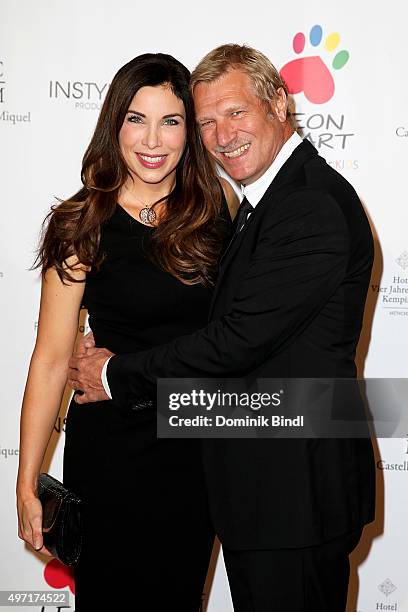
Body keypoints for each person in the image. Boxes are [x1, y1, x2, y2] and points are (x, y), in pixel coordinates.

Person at [69, 45, 376, 611]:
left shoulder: (308, 205)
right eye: (206, 120)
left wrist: (115, 373)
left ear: (279, 103)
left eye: (235, 112)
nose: (222, 133)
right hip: (257, 487)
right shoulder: (259, 203)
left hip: (293, 493)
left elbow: (236, 341)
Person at [16, 53, 239, 611]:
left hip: (193, 447)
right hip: (109, 452)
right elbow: (49, 360)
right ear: (114, 123)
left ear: (190, 132)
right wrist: (26, 480)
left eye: (171, 121)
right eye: (136, 118)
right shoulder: (81, 223)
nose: (153, 140)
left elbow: (237, 333)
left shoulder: (219, 208)